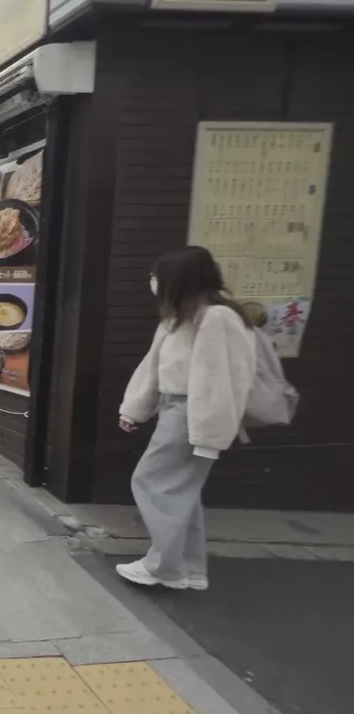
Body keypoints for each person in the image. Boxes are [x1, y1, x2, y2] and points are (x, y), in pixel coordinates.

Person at [116, 246, 256, 592]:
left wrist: (208, 436)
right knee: (182, 494)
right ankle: (189, 569)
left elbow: (220, 381)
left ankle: (164, 567)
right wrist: (134, 409)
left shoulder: (216, 318)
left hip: (192, 414)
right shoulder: (179, 317)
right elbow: (154, 368)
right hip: (177, 410)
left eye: (157, 276)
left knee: (152, 483)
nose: (153, 281)